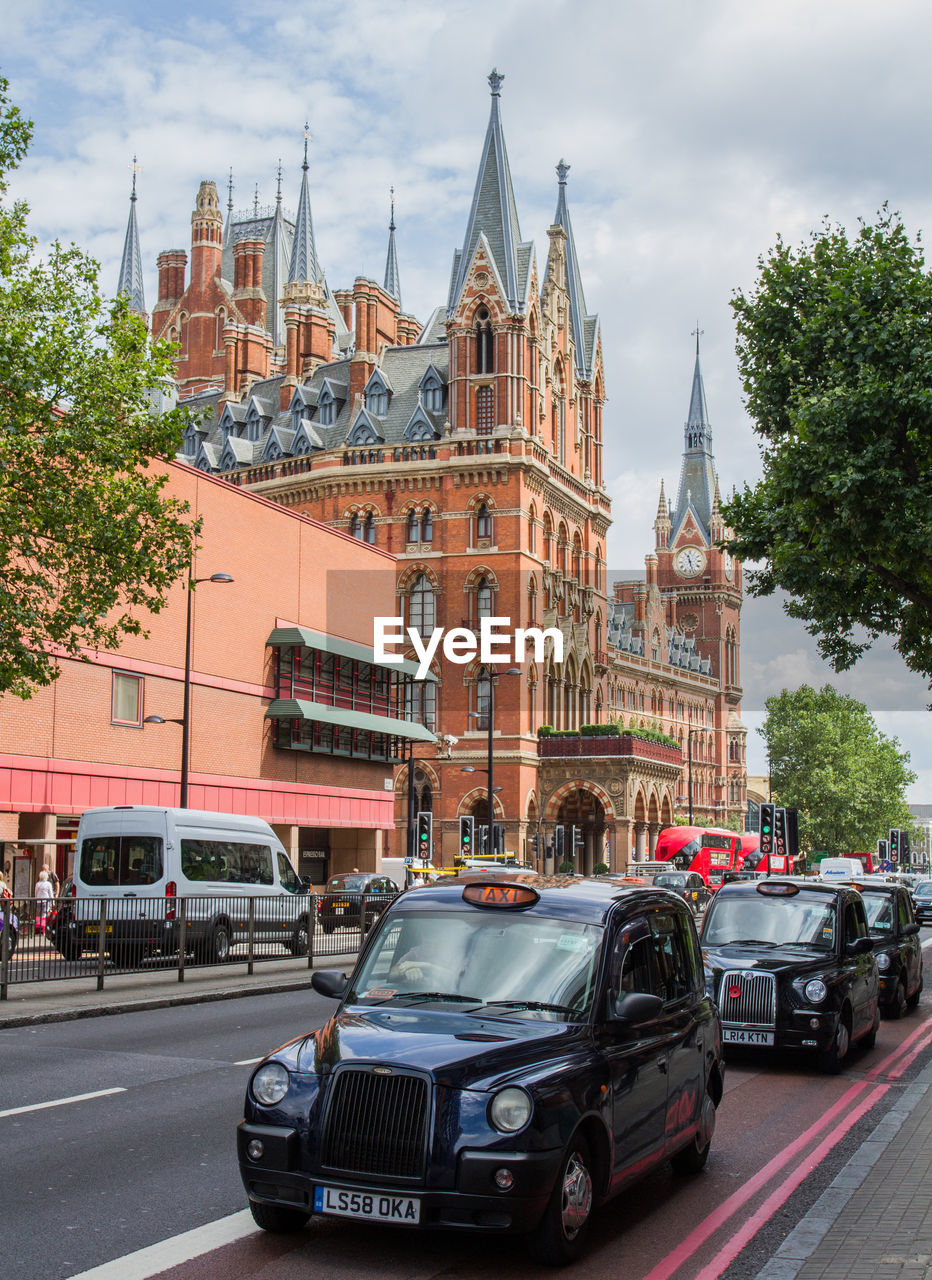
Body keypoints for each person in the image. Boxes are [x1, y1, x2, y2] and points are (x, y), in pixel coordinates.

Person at [35, 868, 54, 935]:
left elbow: (36, 893)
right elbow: (51, 894)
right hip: (46, 900)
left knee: (38, 915)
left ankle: (38, 928)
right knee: (44, 914)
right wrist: (53, 902)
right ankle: (43, 929)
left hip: (38, 900)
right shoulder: (48, 884)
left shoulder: (37, 884)